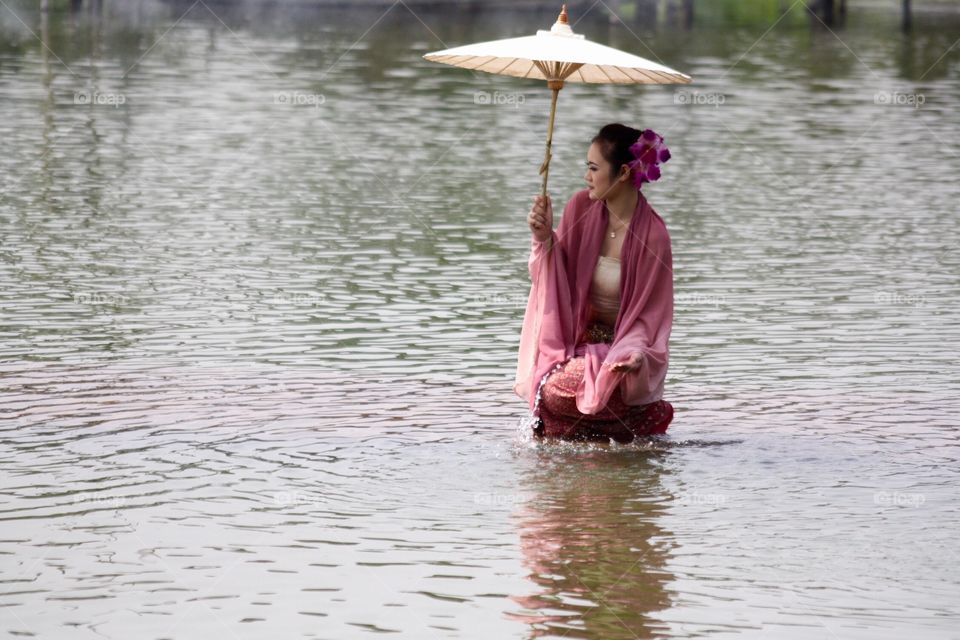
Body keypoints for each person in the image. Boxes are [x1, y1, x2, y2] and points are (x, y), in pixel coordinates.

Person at [514, 123, 675, 444]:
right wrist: (544, 238)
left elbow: (650, 317)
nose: (587, 176)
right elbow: (554, 279)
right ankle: (608, 431)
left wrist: (634, 356)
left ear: (625, 173)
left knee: (591, 389)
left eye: (593, 168)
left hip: (621, 350)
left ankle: (618, 420)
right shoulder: (580, 207)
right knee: (560, 390)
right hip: (576, 343)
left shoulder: (654, 236)